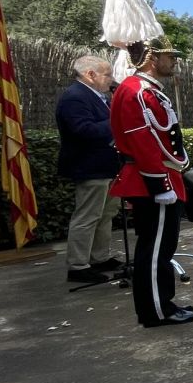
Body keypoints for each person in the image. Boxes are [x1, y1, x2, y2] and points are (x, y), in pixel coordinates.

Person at [110, 36, 193, 327]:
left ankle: (163, 304)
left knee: (160, 248)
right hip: (151, 181)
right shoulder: (138, 91)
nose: (174, 60)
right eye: (169, 56)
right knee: (155, 251)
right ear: (152, 58)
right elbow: (143, 142)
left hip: (157, 177)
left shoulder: (145, 90)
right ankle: (157, 311)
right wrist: (160, 185)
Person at [57, 55, 121, 284]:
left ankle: (99, 257)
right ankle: (78, 266)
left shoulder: (97, 97)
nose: (112, 80)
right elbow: (83, 131)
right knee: (87, 216)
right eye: (108, 74)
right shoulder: (75, 97)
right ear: (90, 75)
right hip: (89, 167)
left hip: (106, 167)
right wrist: (116, 118)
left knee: (106, 214)